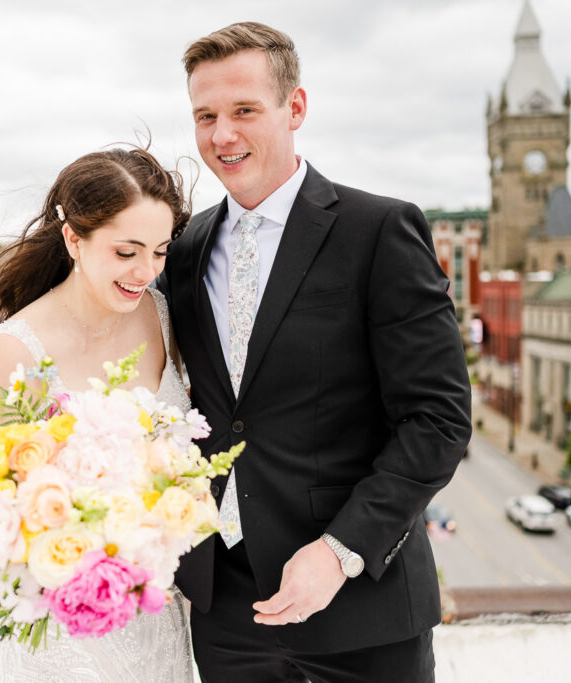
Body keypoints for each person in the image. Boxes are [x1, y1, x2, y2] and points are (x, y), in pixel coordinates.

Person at [158, 22, 472, 682]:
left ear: (294, 107)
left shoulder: (379, 231)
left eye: (245, 110)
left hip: (362, 605)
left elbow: (438, 420)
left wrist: (339, 551)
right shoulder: (183, 252)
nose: (222, 135)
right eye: (205, 116)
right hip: (225, 613)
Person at [0, 146, 195, 681]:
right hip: (58, 630)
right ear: (73, 239)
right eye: (126, 252)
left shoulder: (163, 317)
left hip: (156, 613)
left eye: (160, 251)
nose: (146, 271)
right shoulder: (12, 354)